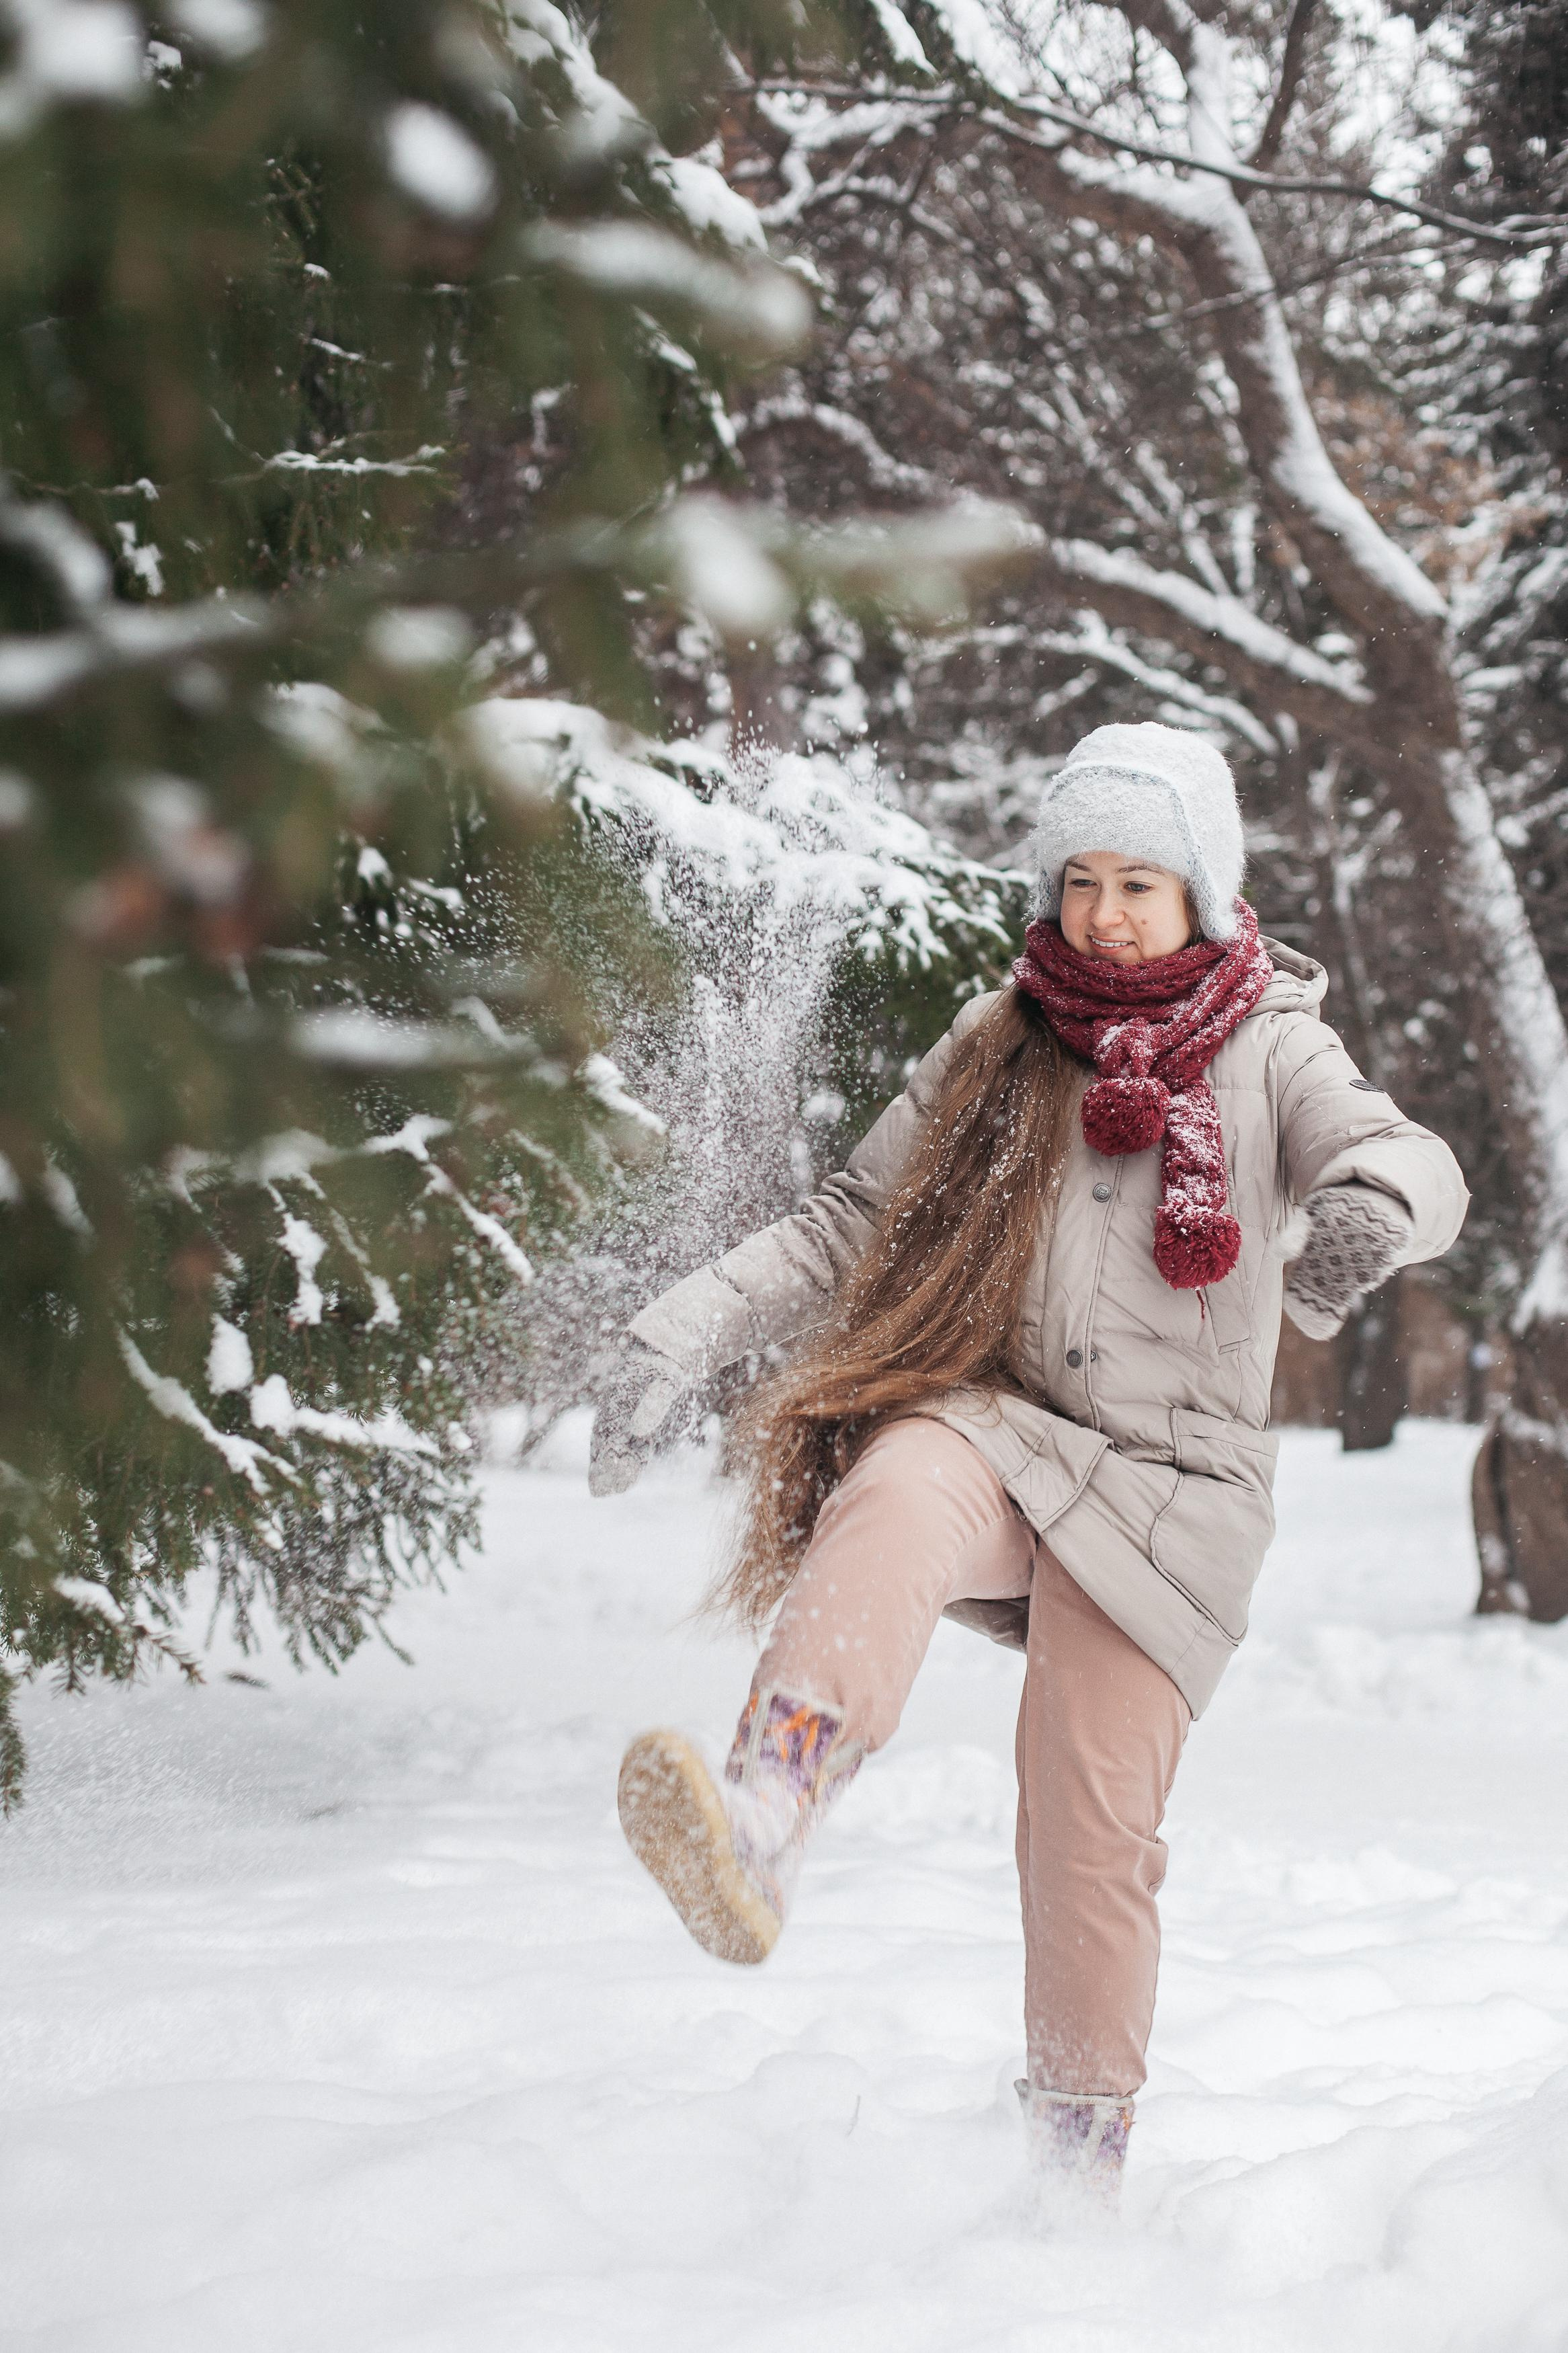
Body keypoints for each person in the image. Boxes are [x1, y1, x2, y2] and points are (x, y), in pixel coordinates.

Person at [589, 723, 1468, 2201]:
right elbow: (842, 1220)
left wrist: (1374, 1204)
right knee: (903, 1470)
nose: (1105, 913)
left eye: (1140, 880)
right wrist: (672, 1337)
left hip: (1176, 1493)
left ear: (1204, 892)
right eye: (1080, 880)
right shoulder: (1001, 1040)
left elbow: (1399, 1151)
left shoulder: (1272, 1045)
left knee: (1087, 1833)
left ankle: (1076, 2172)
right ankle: (763, 1809)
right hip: (1013, 1431)